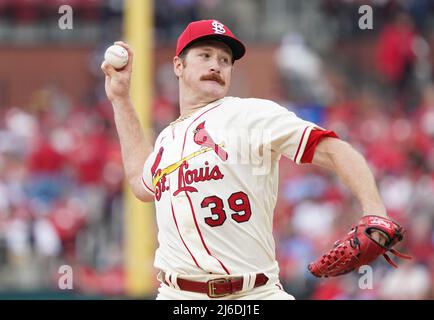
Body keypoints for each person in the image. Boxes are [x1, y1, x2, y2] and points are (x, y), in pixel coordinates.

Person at [101, 19, 390, 300]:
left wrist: (374, 209)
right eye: (205, 55)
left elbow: (334, 149)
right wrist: (121, 99)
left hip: (254, 292)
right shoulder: (167, 139)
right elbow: (141, 182)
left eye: (225, 60)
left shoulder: (252, 115)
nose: (216, 65)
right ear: (178, 65)